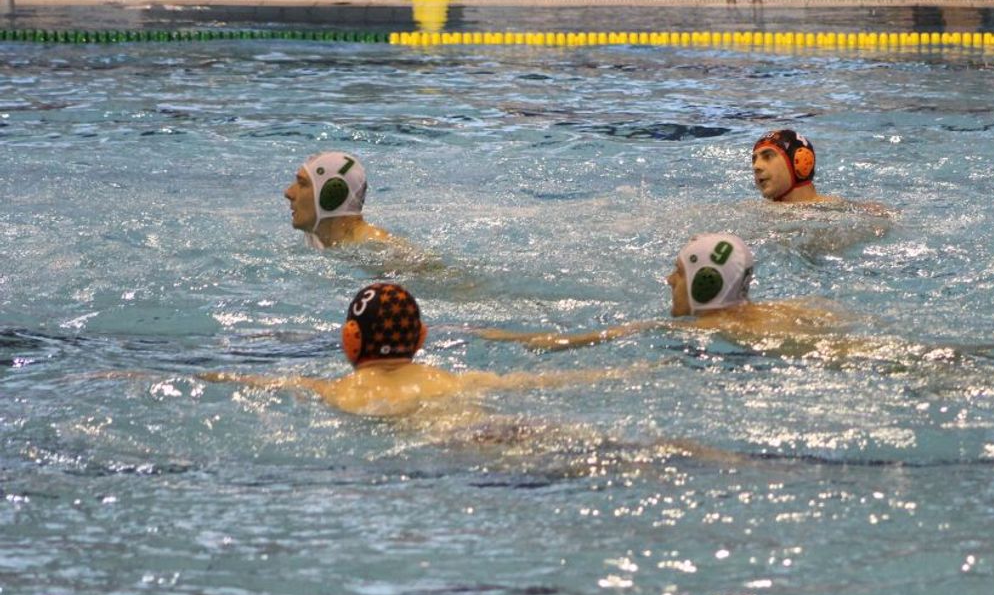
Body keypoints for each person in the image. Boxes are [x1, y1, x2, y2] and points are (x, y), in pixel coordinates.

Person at [201, 283, 628, 417]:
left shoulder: (335, 391)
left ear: (350, 339)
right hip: (482, 422)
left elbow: (251, 381)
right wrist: (633, 370)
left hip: (449, 446)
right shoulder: (454, 380)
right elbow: (546, 381)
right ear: (421, 339)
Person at [482, 234, 857, 358]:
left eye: (678, 272)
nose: (668, 280)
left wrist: (488, 334)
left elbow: (564, 343)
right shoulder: (795, 309)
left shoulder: (695, 331)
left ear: (705, 283)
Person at [284, 152, 392, 249]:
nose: (288, 193)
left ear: (332, 194)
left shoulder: (374, 244)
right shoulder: (317, 238)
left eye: (302, 184)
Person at [751, 128, 835, 203]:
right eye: (754, 160)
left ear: (800, 161)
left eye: (768, 156)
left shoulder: (834, 210)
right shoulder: (753, 209)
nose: (756, 166)